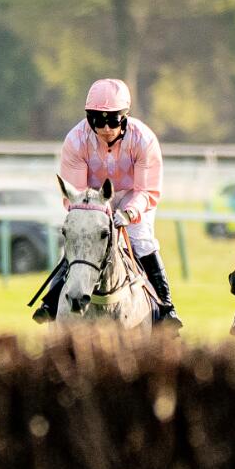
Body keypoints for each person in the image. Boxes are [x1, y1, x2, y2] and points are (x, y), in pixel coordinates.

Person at [33, 78, 181, 331]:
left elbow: (146, 190)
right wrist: (96, 214)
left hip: (134, 197)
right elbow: (76, 194)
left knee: (142, 240)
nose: (105, 128)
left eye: (113, 120)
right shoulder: (76, 141)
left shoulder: (144, 139)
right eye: (97, 120)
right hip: (92, 201)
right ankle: (51, 302)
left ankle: (166, 308)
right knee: (81, 240)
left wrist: (129, 213)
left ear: (125, 117)